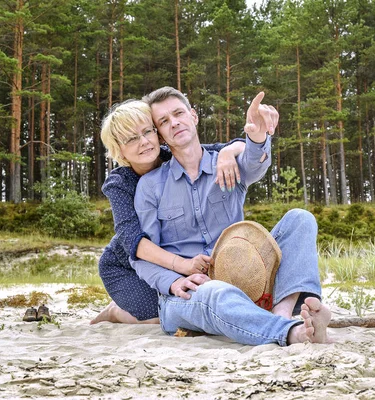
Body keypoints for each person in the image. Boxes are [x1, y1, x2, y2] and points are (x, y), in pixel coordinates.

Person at [131, 87, 332, 346]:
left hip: (246, 278)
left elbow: (254, 162)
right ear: (159, 134)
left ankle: (282, 311)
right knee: (215, 292)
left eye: (179, 113)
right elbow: (142, 256)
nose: (174, 123)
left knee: (300, 219)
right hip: (187, 295)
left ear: (193, 116)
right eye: (164, 121)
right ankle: (292, 332)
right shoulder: (150, 186)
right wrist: (172, 283)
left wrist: (257, 136)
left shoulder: (227, 163)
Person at [91, 99, 245, 325]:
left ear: (157, 133)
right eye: (132, 139)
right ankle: (114, 312)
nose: (143, 142)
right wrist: (183, 265)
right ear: (119, 149)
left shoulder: (171, 155)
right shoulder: (120, 184)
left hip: (170, 260)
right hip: (127, 264)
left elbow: (232, 146)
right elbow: (133, 241)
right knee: (158, 316)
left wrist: (229, 152)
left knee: (187, 303)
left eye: (147, 132)